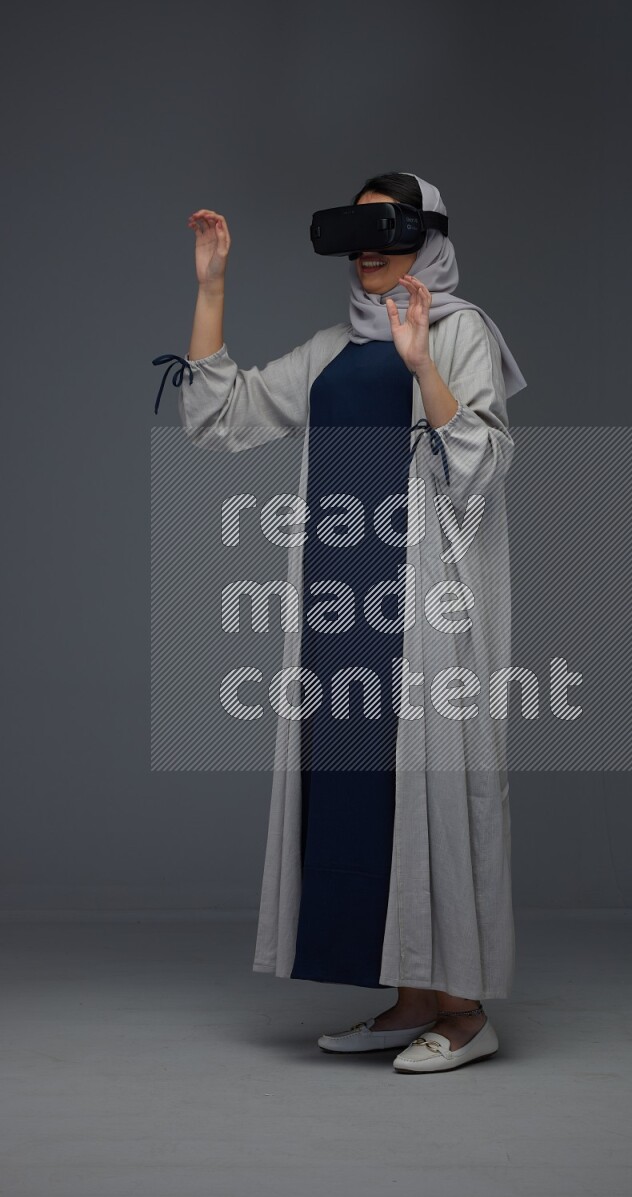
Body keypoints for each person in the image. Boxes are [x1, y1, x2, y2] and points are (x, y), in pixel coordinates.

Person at [154, 172, 526, 1073]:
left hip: (425, 607)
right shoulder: (329, 348)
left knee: (435, 789)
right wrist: (211, 289)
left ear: (426, 235)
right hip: (340, 606)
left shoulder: (459, 329)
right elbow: (220, 416)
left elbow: (477, 464)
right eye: (354, 230)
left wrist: (421, 364)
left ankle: (467, 1012)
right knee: (361, 799)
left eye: (385, 227)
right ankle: (407, 995)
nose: (367, 245)